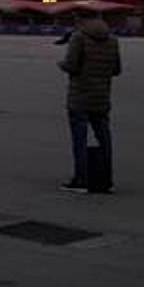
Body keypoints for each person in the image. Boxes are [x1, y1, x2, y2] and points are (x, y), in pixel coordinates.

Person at [57, 14, 122, 194]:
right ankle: (106, 179)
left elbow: (72, 65)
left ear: (80, 21)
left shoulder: (79, 37)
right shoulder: (112, 40)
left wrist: (61, 64)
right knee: (104, 137)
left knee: (79, 138)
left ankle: (81, 179)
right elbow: (117, 70)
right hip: (102, 96)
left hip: (80, 96)